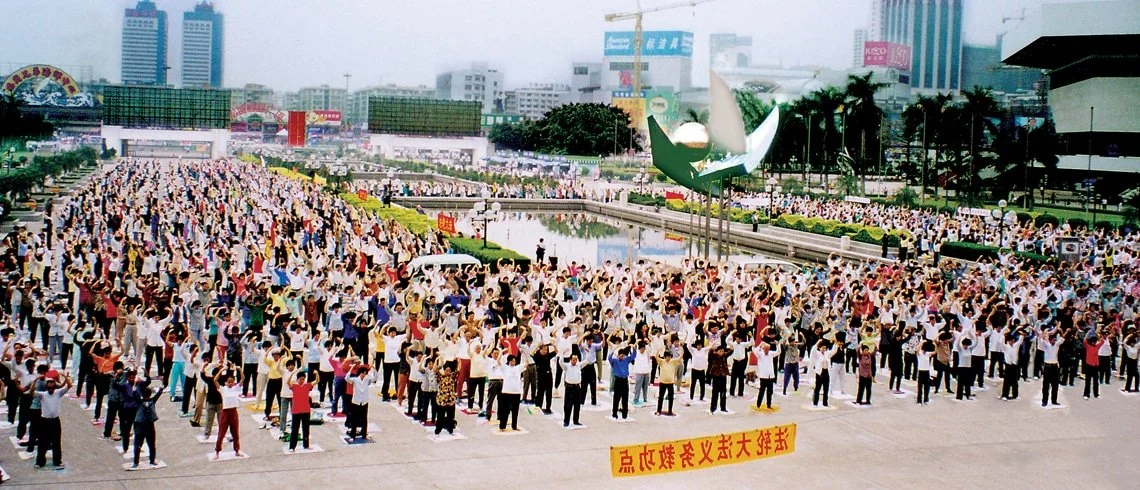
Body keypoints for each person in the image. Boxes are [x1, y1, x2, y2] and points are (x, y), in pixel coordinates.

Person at [34, 370, 72, 469]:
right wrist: (35, 381)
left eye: (52, 384)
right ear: (47, 386)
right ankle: (40, 461)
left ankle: (57, 461)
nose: (51, 387)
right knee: (42, 442)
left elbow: (69, 385)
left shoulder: (58, 393)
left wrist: (64, 376)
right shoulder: (42, 395)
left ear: (54, 385)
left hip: (55, 420)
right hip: (44, 421)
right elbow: (31, 392)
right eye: (49, 384)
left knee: (56, 442)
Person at [131, 379, 163, 468]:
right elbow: (158, 394)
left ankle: (148, 461)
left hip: (146, 425)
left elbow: (158, 394)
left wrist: (161, 388)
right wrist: (161, 387)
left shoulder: (148, 401)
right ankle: (137, 462)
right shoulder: (144, 401)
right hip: (143, 425)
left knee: (149, 444)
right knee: (141, 444)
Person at [214, 368, 245, 460]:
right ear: (225, 383)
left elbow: (242, 379)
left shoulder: (235, 388)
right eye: (229, 382)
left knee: (235, 433)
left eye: (232, 382)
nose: (230, 383)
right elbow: (215, 380)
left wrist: (240, 371)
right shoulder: (223, 389)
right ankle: (217, 451)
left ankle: (237, 449)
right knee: (221, 433)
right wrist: (221, 371)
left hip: (233, 412)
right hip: (225, 413)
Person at [288, 370, 314, 451]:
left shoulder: (307, 386)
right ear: (297, 379)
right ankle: (292, 446)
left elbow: (317, 381)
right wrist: (291, 374)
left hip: (306, 410)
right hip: (296, 411)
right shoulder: (294, 386)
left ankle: (306, 445)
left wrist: (316, 374)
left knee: (306, 429)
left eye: (303, 379)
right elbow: (287, 382)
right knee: (295, 429)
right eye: (300, 379)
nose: (302, 381)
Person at [608, 344, 635, 420]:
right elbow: (609, 358)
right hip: (618, 381)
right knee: (616, 398)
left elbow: (633, 356)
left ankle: (624, 414)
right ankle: (614, 413)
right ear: (618, 355)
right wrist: (613, 349)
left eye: (623, 356)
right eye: (621, 356)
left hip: (625, 380)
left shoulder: (626, 360)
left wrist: (633, 348)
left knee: (625, 398)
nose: (622, 357)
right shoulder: (615, 361)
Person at [433, 360, 458, 437]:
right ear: (444, 371)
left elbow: (458, 370)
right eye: (446, 370)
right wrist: (437, 360)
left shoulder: (452, 377)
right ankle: (437, 432)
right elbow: (435, 370)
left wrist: (458, 360)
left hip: (450, 401)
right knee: (440, 417)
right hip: (442, 400)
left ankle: (450, 430)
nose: (448, 372)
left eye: (449, 370)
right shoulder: (440, 377)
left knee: (451, 417)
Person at [498, 355, 524, 431]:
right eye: (512, 361)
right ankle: (502, 426)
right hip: (507, 392)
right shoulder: (505, 368)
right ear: (509, 361)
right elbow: (498, 361)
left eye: (514, 361)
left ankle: (514, 426)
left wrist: (526, 354)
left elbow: (527, 363)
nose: (513, 362)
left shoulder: (518, 368)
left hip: (516, 392)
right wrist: (501, 352)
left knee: (515, 411)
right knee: (505, 410)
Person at [1039, 328, 1064, 407]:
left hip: (1055, 366)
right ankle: (1044, 401)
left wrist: (1061, 330)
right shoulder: (1046, 345)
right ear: (1049, 340)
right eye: (1053, 340)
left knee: (1055, 384)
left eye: (1055, 340)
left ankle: (1054, 400)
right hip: (1047, 366)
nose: (1054, 341)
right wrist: (1045, 332)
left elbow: (1063, 338)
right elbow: (1042, 339)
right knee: (1046, 385)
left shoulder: (1056, 344)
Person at [753, 341, 780, 409]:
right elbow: (755, 351)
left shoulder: (771, 353)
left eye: (768, 349)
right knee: (761, 391)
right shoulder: (760, 354)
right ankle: (758, 404)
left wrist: (778, 345)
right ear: (763, 349)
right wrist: (760, 345)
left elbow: (778, 352)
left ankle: (769, 404)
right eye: (766, 349)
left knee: (770, 392)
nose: (767, 351)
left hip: (770, 376)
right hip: (763, 376)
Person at [559, 353, 583, 427]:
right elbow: (560, 362)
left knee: (577, 405)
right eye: (573, 360)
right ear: (570, 360)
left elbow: (587, 361)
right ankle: (566, 421)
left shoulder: (579, 365)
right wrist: (562, 354)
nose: (575, 361)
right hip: (569, 387)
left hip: (577, 387)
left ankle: (576, 420)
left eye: (576, 359)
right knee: (568, 405)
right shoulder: (567, 366)